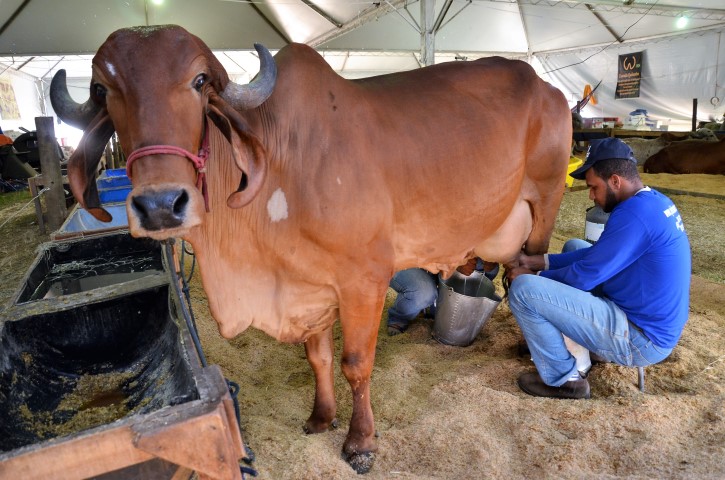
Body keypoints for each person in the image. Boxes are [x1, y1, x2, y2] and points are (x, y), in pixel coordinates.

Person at [506, 137, 691, 399]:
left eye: (593, 187)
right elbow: (597, 255)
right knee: (573, 246)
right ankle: (584, 347)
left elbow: (584, 277)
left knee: (525, 291)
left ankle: (565, 380)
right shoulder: (651, 202)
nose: (592, 195)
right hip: (648, 319)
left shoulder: (633, 216)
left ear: (615, 181)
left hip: (640, 338)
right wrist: (539, 261)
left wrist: (533, 275)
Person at [387, 258, 499, 336]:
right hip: (406, 260)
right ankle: (399, 317)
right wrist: (454, 261)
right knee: (423, 292)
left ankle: (433, 306)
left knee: (482, 266)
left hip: (443, 255)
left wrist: (489, 263)